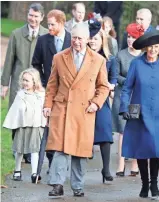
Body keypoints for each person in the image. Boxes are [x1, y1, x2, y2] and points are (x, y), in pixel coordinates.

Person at [43, 23, 109, 197]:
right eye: (74, 38)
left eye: (80, 38)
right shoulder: (59, 57)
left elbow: (103, 87)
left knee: (79, 150)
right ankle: (57, 184)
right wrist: (48, 106)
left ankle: (77, 185)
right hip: (62, 108)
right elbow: (51, 85)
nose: (76, 42)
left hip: (84, 110)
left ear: (87, 39)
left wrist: (96, 103)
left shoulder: (98, 60)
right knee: (59, 148)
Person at [119, 31, 159, 199]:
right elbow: (127, 88)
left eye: (156, 47)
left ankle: (155, 183)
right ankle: (145, 184)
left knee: (156, 149)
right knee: (142, 150)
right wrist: (124, 108)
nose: (152, 50)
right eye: (149, 47)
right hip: (140, 113)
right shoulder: (136, 64)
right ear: (145, 48)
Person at [1, 3, 48, 164]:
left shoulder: (46, 35)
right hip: (18, 82)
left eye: (36, 16)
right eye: (30, 15)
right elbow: (9, 60)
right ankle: (17, 149)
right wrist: (4, 84)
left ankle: (29, 151)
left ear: (42, 17)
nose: (32, 19)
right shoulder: (16, 34)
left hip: (38, 84)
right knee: (18, 115)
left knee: (34, 118)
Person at [32, 9, 71, 171]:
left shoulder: (71, 40)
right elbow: (36, 63)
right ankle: (51, 160)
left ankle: (61, 160)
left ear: (61, 23)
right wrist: (41, 82)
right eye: (48, 24)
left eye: (52, 24)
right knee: (49, 127)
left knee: (64, 127)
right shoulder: (42, 40)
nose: (49, 27)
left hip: (68, 92)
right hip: (48, 90)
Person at [3, 68, 47, 183]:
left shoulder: (41, 95)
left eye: (27, 80)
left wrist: (45, 122)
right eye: (23, 80)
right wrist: (12, 123)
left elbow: (44, 110)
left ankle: (34, 173)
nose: (24, 83)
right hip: (22, 126)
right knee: (19, 149)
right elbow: (15, 110)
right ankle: (17, 170)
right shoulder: (20, 95)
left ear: (34, 81)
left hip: (36, 126)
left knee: (35, 149)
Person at [112, 23, 144, 177]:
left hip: (138, 97)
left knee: (136, 130)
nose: (130, 40)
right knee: (123, 131)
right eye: (129, 37)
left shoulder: (144, 56)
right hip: (123, 96)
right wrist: (130, 81)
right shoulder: (121, 55)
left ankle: (135, 164)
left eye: (134, 37)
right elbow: (116, 76)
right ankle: (120, 164)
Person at [88, 19, 117, 183]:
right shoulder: (83, 56)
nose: (93, 41)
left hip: (103, 98)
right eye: (91, 38)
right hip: (84, 98)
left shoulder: (110, 59)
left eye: (96, 38)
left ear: (102, 41)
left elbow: (113, 77)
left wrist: (111, 86)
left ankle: (106, 169)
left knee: (105, 132)